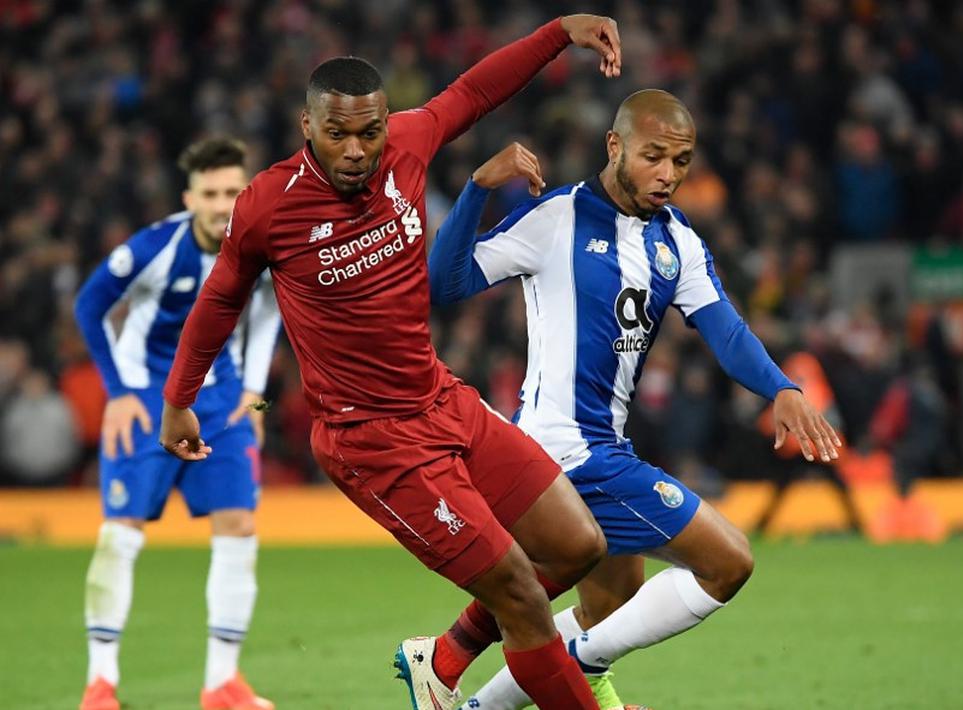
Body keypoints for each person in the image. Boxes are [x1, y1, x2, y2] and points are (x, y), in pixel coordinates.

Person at [160, 16, 624, 710]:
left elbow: (473, 92)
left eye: (369, 132)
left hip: (441, 399)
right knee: (523, 598)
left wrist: (559, 32)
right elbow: (219, 300)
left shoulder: (409, 142)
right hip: (372, 441)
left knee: (577, 545)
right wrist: (178, 400)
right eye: (337, 134)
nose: (356, 150)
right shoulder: (267, 206)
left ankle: (443, 659)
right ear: (307, 126)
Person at [427, 90, 842, 709]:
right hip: (563, 450)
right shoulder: (557, 218)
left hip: (605, 445)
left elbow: (726, 330)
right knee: (728, 562)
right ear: (615, 146)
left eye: (681, 161)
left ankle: (475, 700)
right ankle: (573, 664)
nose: (668, 174)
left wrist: (780, 387)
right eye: (654, 157)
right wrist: (478, 189)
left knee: (607, 606)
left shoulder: (677, 241)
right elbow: (444, 283)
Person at [74, 138, 281, 710]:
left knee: (240, 525)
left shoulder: (260, 246)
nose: (221, 205)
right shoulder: (154, 247)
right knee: (121, 531)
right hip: (146, 399)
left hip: (222, 401)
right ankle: (100, 683)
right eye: (209, 194)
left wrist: (254, 393)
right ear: (189, 198)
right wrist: (118, 394)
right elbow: (89, 305)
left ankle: (222, 683)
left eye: (232, 192)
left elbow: (270, 311)